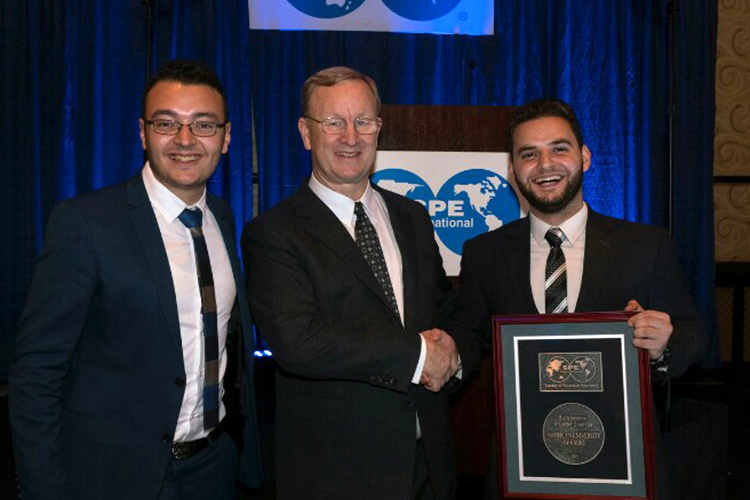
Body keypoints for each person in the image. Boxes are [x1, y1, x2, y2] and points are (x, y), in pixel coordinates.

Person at [9, 60, 262, 500]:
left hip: (214, 468)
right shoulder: (86, 223)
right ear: (142, 133)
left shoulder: (221, 216)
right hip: (114, 477)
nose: (185, 140)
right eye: (167, 123)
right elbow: (36, 376)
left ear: (226, 138)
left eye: (203, 124)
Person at [448, 98, 705, 500]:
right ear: (512, 171)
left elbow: (692, 334)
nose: (545, 164)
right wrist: (442, 351)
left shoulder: (645, 246)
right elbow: (467, 333)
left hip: (622, 470)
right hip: (522, 470)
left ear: (584, 157)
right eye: (529, 154)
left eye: (559, 148)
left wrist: (664, 345)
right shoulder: (484, 253)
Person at [242, 66, 479, 500]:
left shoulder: (412, 217)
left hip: (430, 467)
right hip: (335, 475)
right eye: (333, 123)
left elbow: (442, 311)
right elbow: (300, 342)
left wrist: (455, 354)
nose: (350, 137)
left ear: (379, 128)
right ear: (305, 132)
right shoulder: (273, 233)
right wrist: (420, 354)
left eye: (363, 121)